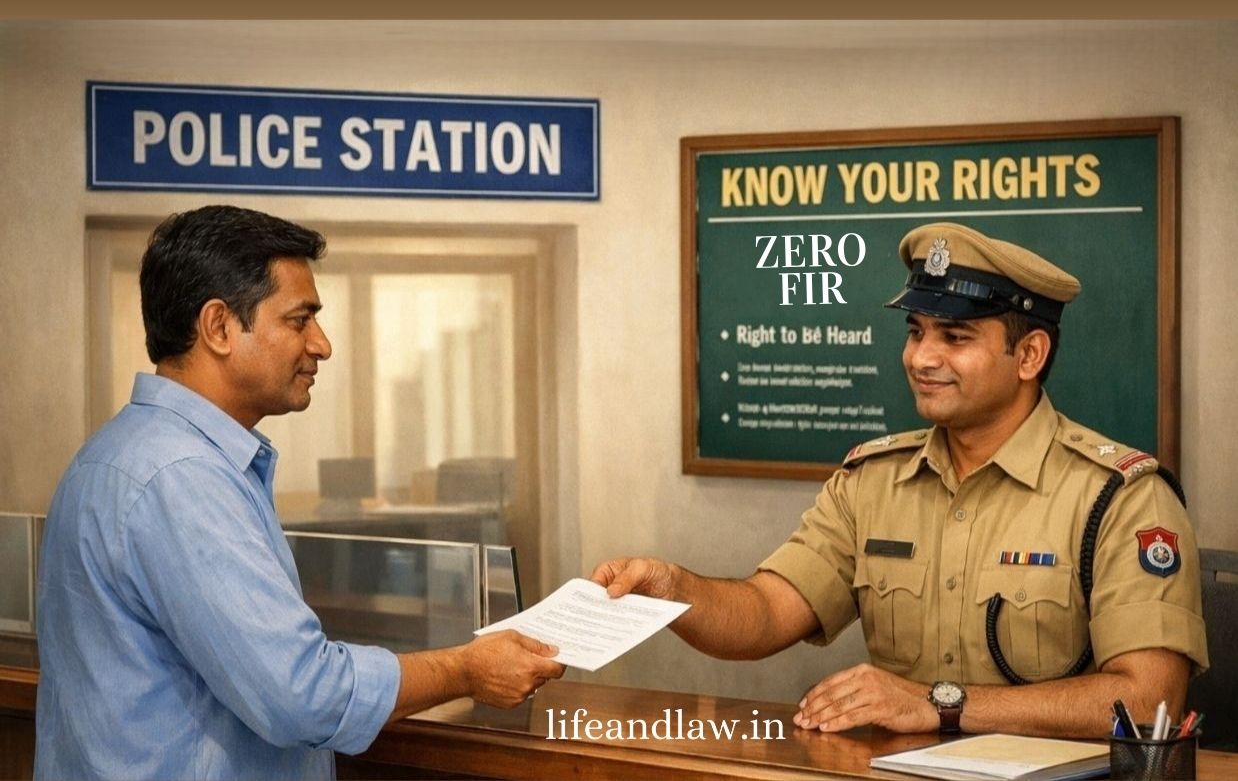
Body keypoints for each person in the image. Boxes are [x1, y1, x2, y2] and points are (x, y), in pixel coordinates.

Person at [592, 222, 1207, 739]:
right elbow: (765, 614)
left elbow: (1149, 701)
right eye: (916, 332)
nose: (921, 358)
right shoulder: (872, 481)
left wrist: (939, 704)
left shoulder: (1120, 496)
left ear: (1029, 356)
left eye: (955, 337)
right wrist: (672, 587)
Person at [36, 205, 564, 780]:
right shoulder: (182, 478)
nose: (322, 345)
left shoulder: (117, 452)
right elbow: (302, 695)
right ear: (218, 327)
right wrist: (466, 670)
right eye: (299, 320)